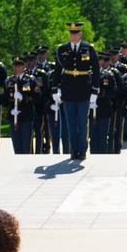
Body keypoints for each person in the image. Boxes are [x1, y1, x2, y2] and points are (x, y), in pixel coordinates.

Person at [54, 22, 100, 160]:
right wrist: (55, 89)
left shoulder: (89, 49)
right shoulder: (62, 49)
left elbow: (96, 70)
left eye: (76, 33)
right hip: (68, 90)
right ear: (69, 34)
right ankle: (73, 149)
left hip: (83, 89)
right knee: (71, 122)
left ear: (81, 34)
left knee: (82, 121)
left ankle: (82, 149)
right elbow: (57, 70)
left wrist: (94, 90)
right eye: (72, 33)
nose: (74, 36)